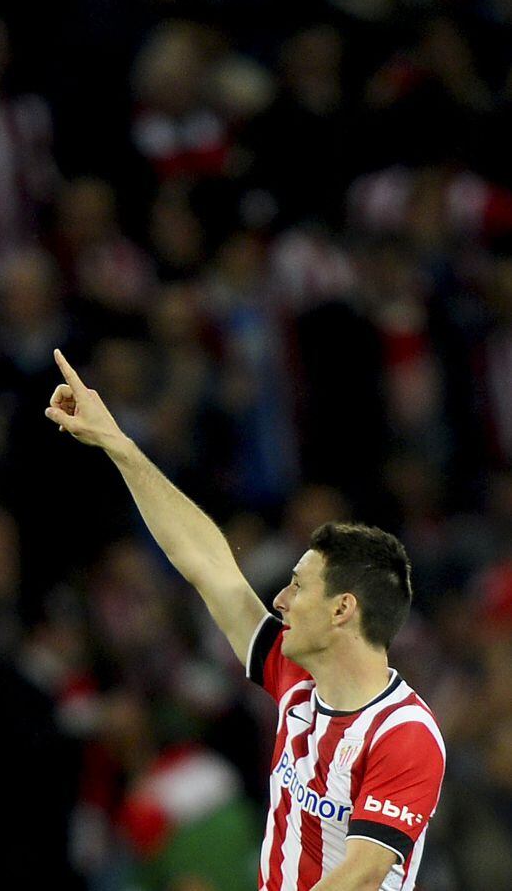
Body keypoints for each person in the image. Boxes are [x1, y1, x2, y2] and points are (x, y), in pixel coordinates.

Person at [45, 349, 445, 891]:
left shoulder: (405, 733)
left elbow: (362, 872)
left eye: (298, 585)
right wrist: (119, 445)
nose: (279, 599)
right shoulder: (297, 681)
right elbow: (209, 565)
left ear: (343, 609)